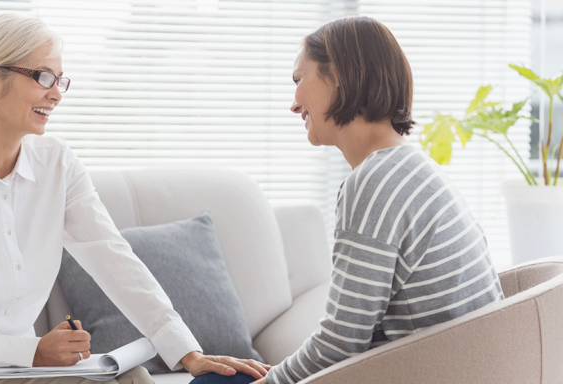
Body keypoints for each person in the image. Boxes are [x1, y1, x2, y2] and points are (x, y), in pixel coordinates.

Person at [0, 13, 269, 384]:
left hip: (9, 368)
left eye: (60, 80)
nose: (56, 94)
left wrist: (187, 353)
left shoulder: (57, 165)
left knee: (129, 377)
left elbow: (113, 257)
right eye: (43, 76)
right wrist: (31, 352)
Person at [192, 15, 505, 384]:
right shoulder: (412, 166)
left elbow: (342, 343)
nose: (294, 104)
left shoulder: (375, 181)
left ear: (338, 76)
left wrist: (270, 381)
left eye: (298, 80)